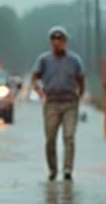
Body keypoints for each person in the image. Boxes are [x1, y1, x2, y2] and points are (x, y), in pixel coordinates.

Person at [30, 26, 87, 180]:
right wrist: (40, 91)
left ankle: (67, 169)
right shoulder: (44, 60)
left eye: (60, 40)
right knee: (50, 138)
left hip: (69, 102)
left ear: (65, 42)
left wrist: (80, 95)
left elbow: (81, 79)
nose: (57, 43)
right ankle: (53, 169)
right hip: (52, 103)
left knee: (69, 136)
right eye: (54, 40)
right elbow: (34, 77)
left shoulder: (74, 60)